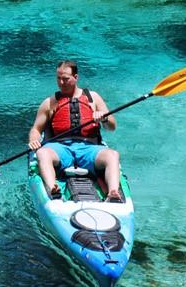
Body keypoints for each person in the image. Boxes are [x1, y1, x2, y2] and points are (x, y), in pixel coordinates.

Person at [28, 60, 123, 202]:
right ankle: (52, 188)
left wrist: (104, 118)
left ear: (76, 77)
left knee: (112, 155)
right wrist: (33, 140)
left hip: (89, 148)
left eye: (65, 79)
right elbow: (36, 129)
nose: (61, 82)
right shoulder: (49, 103)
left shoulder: (93, 98)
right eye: (58, 78)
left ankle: (113, 192)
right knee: (42, 153)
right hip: (60, 148)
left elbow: (112, 127)